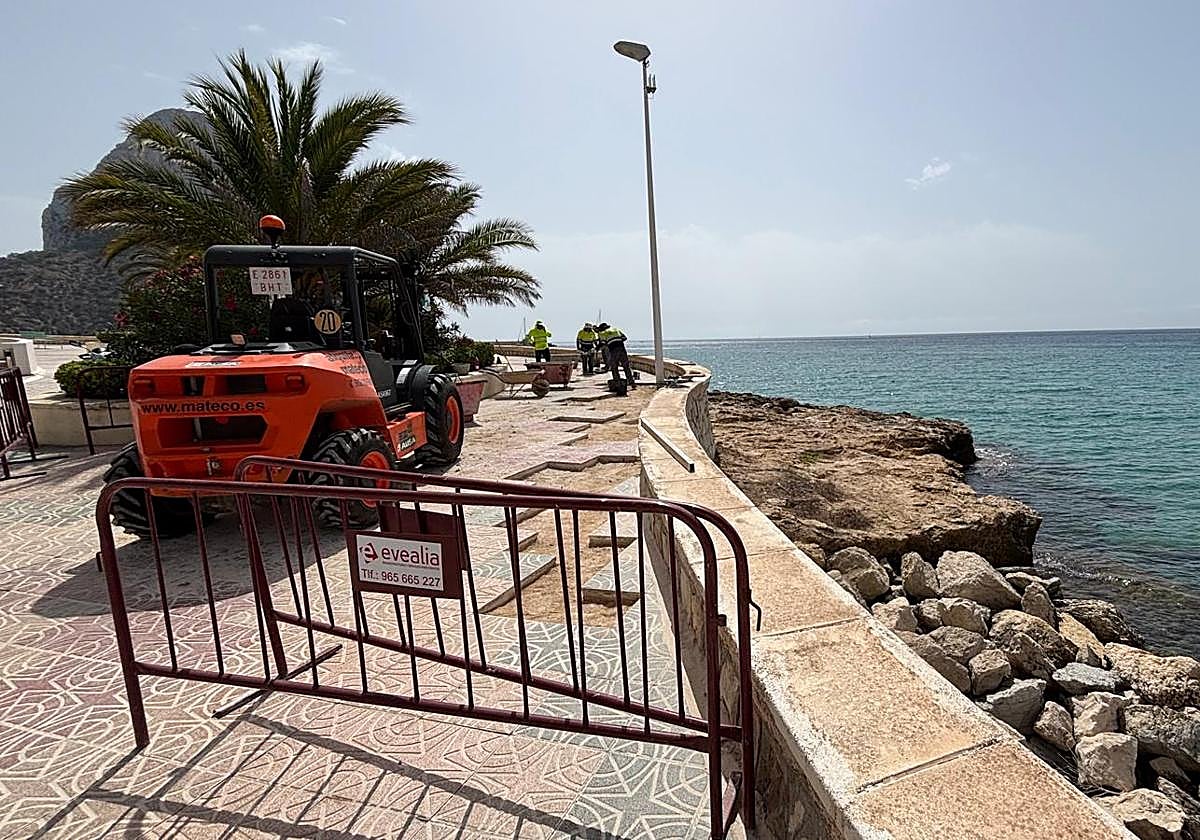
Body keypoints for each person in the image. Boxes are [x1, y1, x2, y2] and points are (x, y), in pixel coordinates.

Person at [597, 323, 635, 390]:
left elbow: (602, 343)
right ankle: (632, 383)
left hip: (613, 350)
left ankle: (617, 384)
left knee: (614, 367)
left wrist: (596, 348)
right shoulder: (616, 329)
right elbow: (624, 338)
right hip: (622, 349)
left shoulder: (603, 333)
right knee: (626, 367)